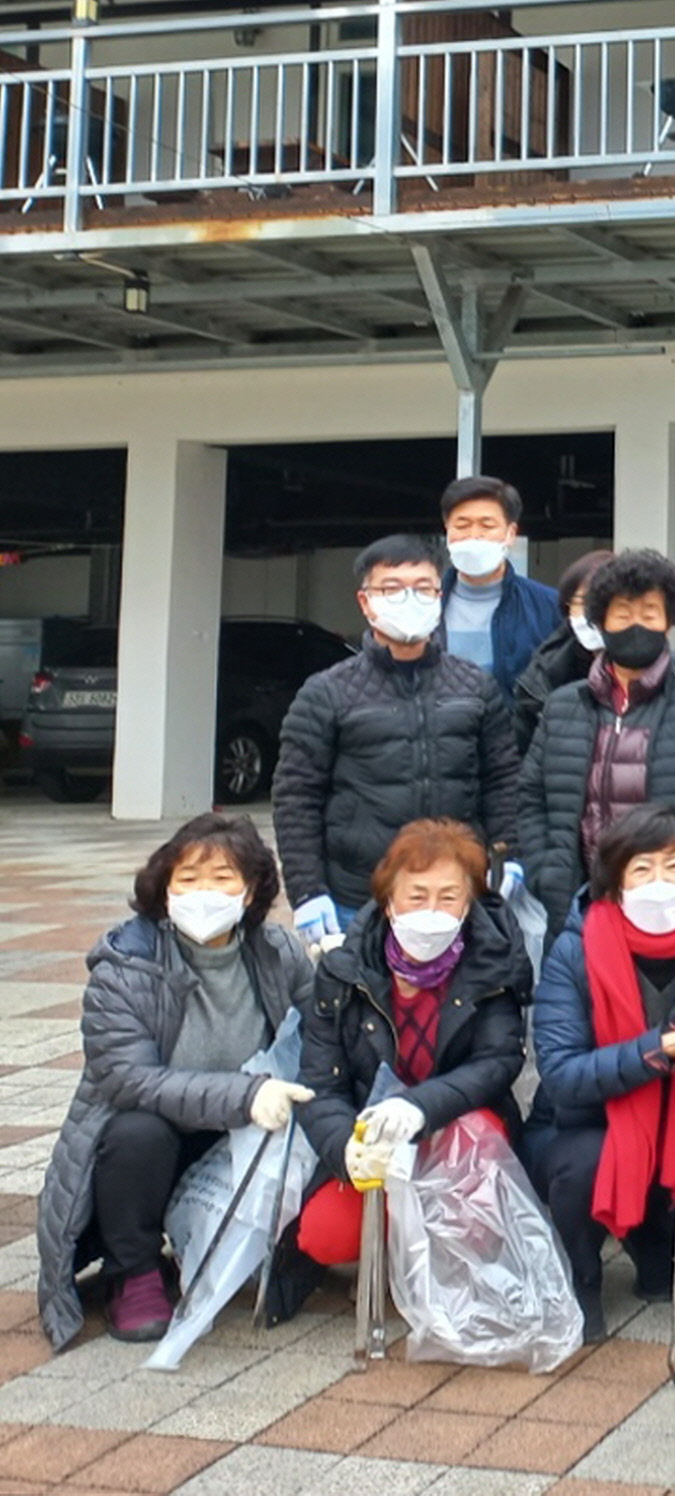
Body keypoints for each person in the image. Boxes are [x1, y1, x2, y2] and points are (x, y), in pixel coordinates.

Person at [36, 814, 314, 1349]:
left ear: (252, 889)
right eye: (188, 880)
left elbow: (322, 1035)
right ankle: (133, 1271)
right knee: (138, 1129)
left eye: (222, 878)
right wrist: (247, 1096)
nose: (203, 894)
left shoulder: (278, 954)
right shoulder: (126, 965)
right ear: (164, 890)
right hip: (149, 1148)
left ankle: (265, 1253)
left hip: (239, 1136)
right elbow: (129, 1080)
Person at [267, 818, 530, 1322]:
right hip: (373, 1133)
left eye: (449, 897)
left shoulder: (494, 963)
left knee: (473, 1180)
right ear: (388, 901)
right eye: (417, 896)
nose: (432, 912)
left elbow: (498, 1062)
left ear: (470, 902)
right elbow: (319, 1082)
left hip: (458, 1122)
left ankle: (447, 1268)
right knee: (325, 1234)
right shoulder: (343, 971)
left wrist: (418, 1107)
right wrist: (346, 1147)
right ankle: (395, 1254)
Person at [527, 805, 675, 1344]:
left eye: (674, 868)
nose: (658, 884)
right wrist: (650, 1053)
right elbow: (561, 1072)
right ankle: (582, 1275)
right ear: (614, 881)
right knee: (585, 1166)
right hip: (579, 1125)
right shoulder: (574, 948)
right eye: (642, 869)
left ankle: (654, 1242)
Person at [274, 534, 518, 950]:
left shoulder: (475, 686)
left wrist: (509, 852)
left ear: (439, 596)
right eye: (391, 589)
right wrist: (307, 889)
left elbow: (503, 779)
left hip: (456, 893)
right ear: (366, 602)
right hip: (358, 896)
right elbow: (296, 796)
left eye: (423, 588)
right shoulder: (326, 692)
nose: (409, 599)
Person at [519, 549, 675, 933]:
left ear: (669, 622)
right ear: (601, 621)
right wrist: (545, 872)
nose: (636, 625)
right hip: (579, 904)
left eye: (649, 614)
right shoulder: (564, 704)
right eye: (623, 614)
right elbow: (531, 795)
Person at [439, 475, 561, 698]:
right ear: (447, 529)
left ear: (511, 533)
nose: (474, 535)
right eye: (462, 525)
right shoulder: (422, 602)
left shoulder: (549, 606)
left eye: (487, 525)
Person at [513, 548, 613, 755]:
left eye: (603, 602)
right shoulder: (543, 675)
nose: (591, 613)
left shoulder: (666, 671)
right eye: (581, 602)